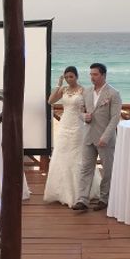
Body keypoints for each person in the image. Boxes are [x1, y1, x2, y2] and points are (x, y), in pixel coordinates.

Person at [43, 66, 101, 207]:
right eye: (67, 77)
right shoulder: (63, 90)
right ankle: (62, 191)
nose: (69, 79)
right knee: (61, 155)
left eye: (71, 77)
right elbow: (50, 101)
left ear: (76, 76)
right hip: (64, 125)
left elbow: (90, 108)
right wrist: (58, 84)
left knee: (78, 157)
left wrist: (87, 116)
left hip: (78, 126)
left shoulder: (84, 90)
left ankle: (80, 193)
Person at [73, 63, 122, 211]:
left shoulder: (113, 93)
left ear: (103, 75)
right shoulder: (86, 92)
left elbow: (115, 118)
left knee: (107, 170)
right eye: (90, 74)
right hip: (88, 136)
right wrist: (84, 116)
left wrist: (105, 137)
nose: (92, 77)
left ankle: (104, 198)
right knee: (86, 168)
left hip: (105, 139)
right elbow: (79, 110)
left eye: (95, 74)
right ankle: (82, 200)